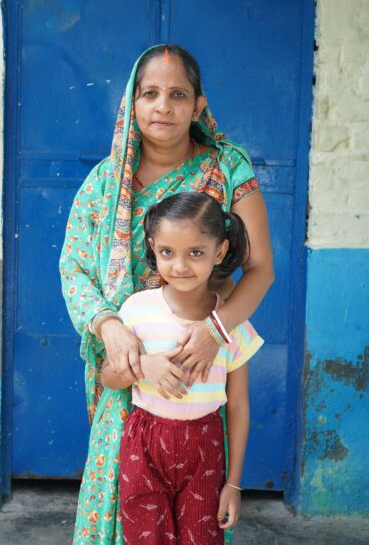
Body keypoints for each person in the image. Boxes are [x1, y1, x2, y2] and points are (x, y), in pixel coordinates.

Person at [59, 44, 274, 544]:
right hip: (128, 364)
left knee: (196, 520)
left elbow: (260, 270)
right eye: (150, 93)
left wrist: (214, 332)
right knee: (128, 512)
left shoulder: (226, 167)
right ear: (132, 104)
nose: (163, 106)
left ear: (199, 105)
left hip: (198, 360)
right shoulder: (104, 184)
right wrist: (112, 329)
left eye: (178, 95)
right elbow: (73, 268)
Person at [102, 192, 261, 545]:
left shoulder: (231, 324)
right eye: (167, 252)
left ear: (219, 252)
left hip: (205, 447)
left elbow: (238, 405)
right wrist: (142, 366)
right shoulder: (137, 310)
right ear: (153, 248)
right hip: (144, 443)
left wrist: (233, 484)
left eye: (196, 253)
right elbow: (108, 377)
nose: (180, 266)